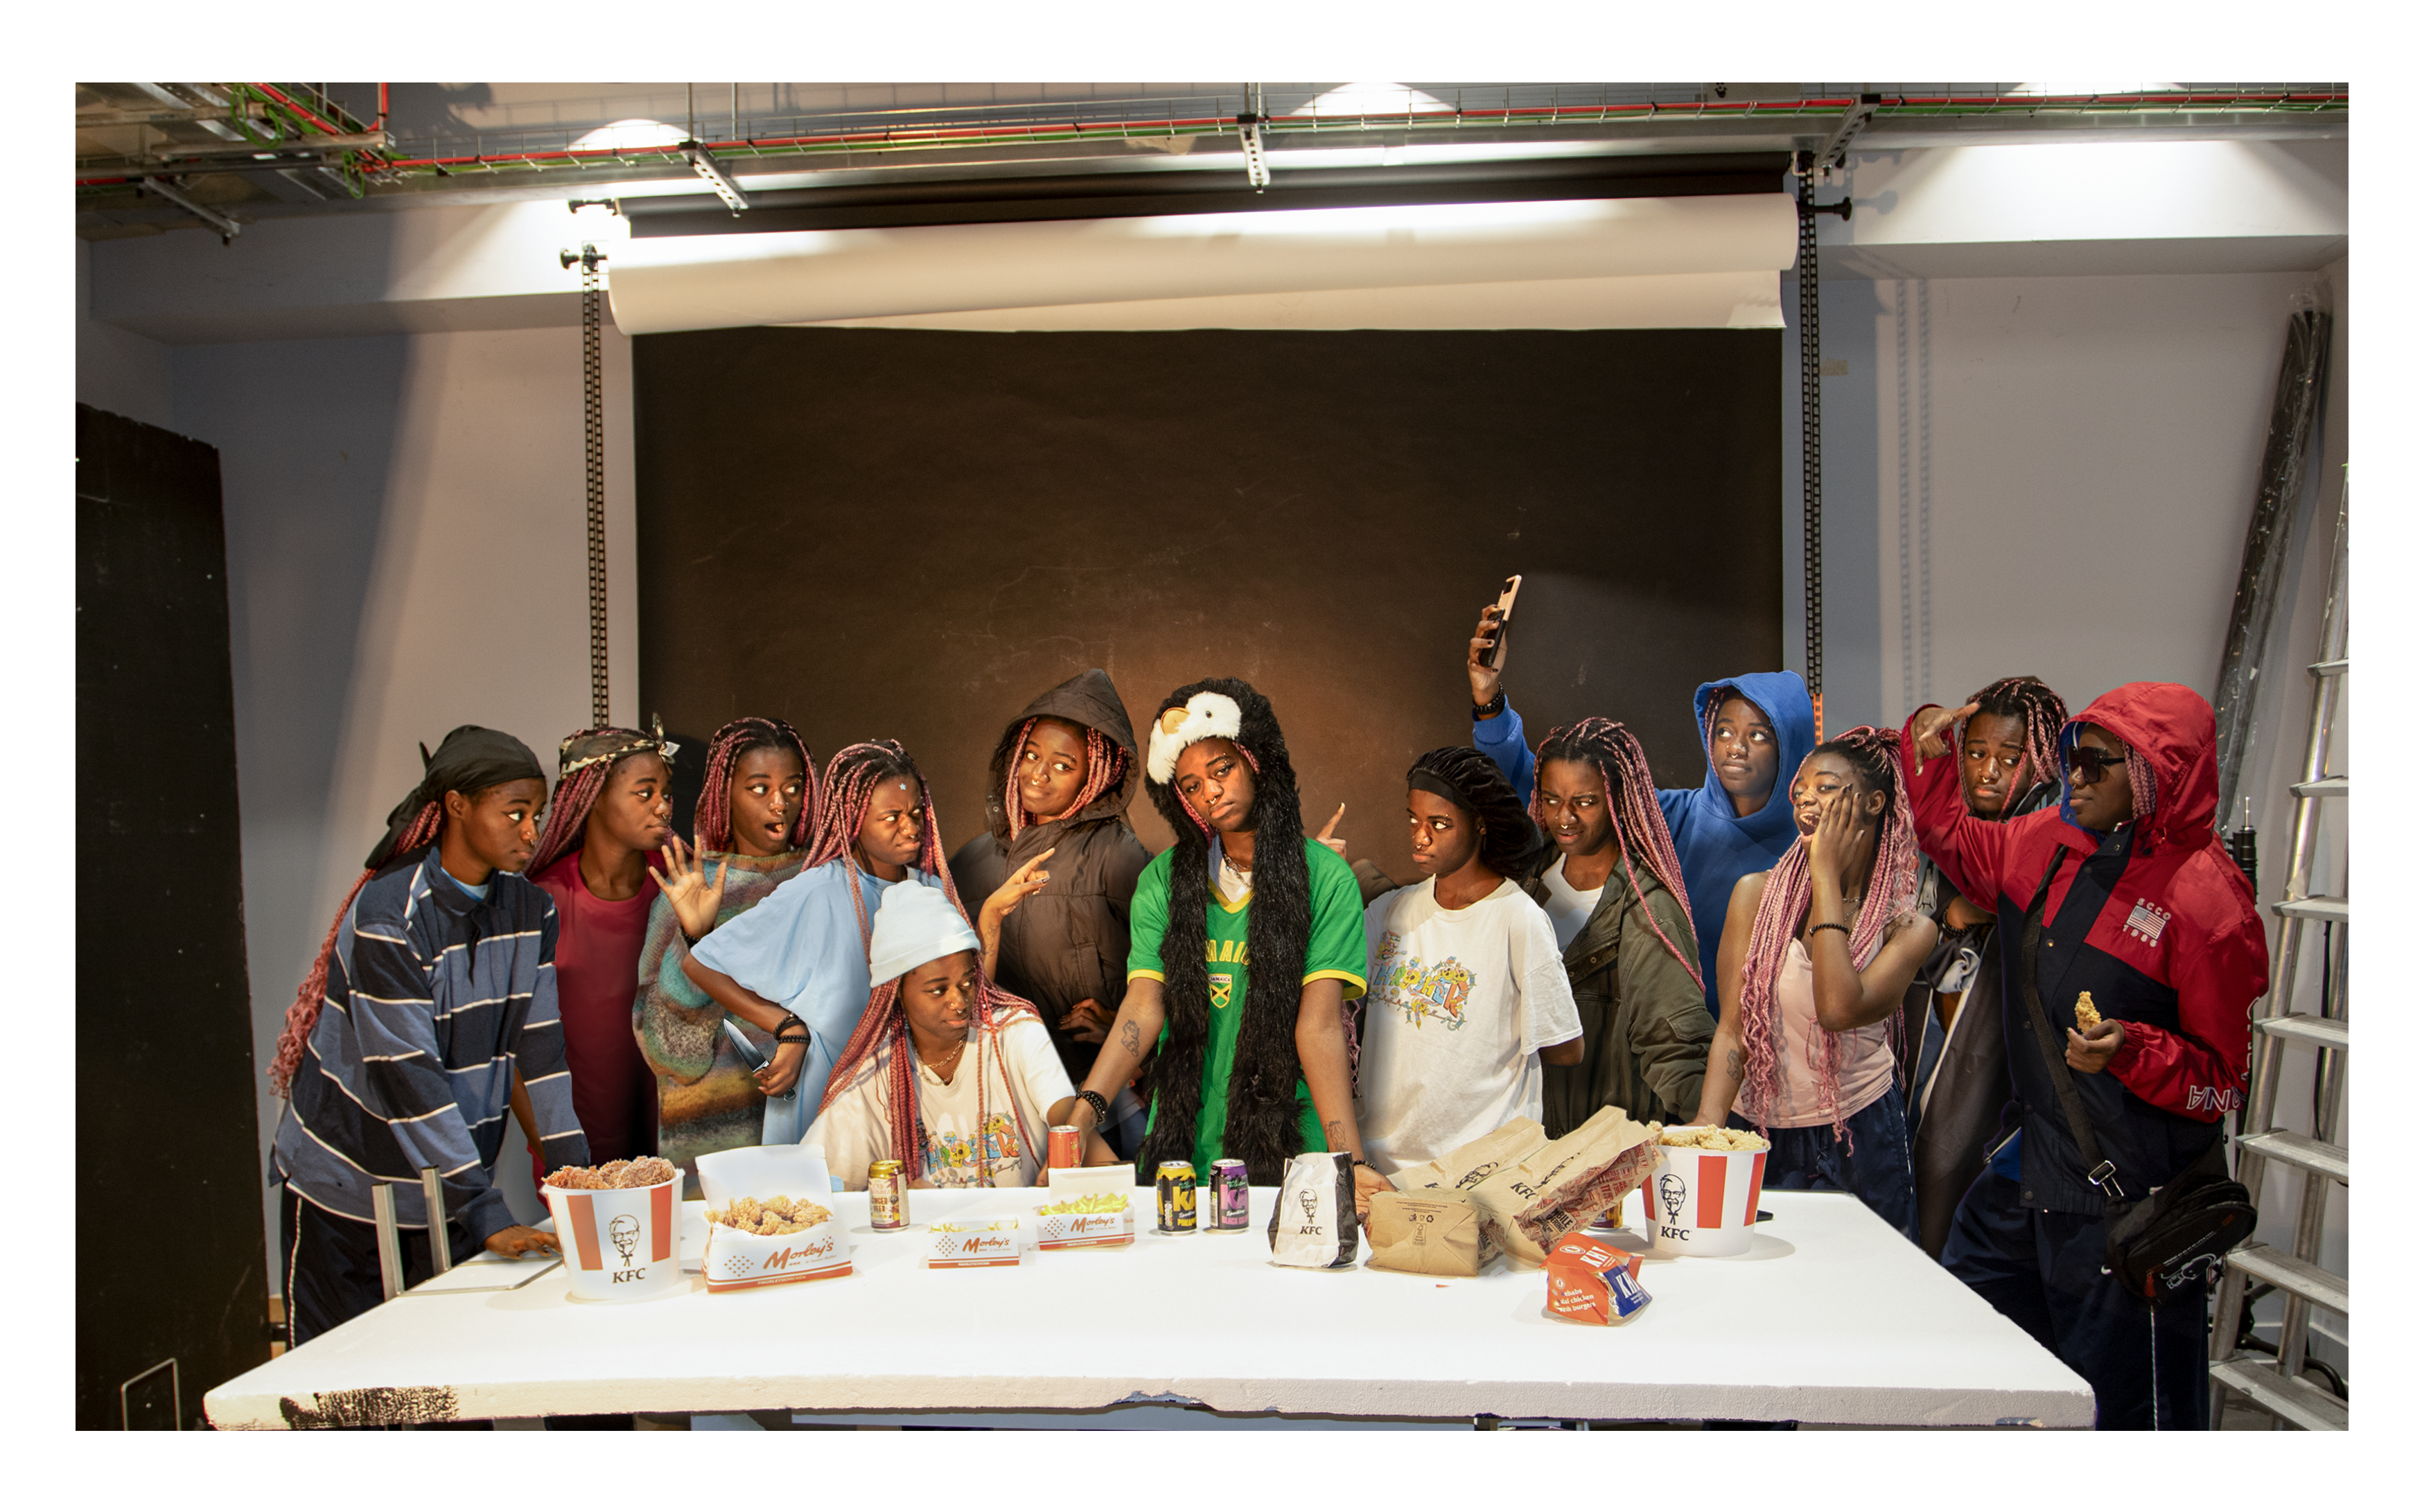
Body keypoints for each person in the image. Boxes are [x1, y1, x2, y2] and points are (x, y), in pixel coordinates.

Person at [1904, 683, 2267, 1430]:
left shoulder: (2210, 907)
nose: (2073, 774)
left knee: (2125, 1417)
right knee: (1969, 1364)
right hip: (2028, 1173)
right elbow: (1951, 836)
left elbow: (2224, 1083)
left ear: (2152, 776)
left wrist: (2133, 1051)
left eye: (2096, 762)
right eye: (2070, 755)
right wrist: (1929, 751)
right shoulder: (2044, 844)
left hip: (2127, 1203)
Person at [266, 726, 584, 1349]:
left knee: (447, 1390)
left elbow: (541, 1051)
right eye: (514, 813)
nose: (531, 832)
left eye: (537, 815)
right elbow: (408, 1078)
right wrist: (483, 1206)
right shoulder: (389, 915)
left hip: (448, 1187)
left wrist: (575, 1177)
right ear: (458, 806)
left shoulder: (530, 912)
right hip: (351, 1188)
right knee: (343, 1393)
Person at [1067, 678, 1387, 1211]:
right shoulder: (1164, 881)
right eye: (1191, 786)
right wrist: (1084, 1114)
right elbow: (1143, 1007)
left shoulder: (1324, 878)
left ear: (1257, 759)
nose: (1210, 791)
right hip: (1182, 1145)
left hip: (1289, 1149)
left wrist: (1347, 1158)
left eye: (1221, 770)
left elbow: (1321, 1025)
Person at [1463, 607, 1815, 1016]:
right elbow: (1535, 785)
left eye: (1758, 735)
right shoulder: (1666, 817)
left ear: (1792, 745)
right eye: (1724, 731)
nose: (1735, 747)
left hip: (1767, 1054)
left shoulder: (1812, 849)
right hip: (1662, 1046)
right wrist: (1489, 702)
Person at [681, 739, 1049, 1114]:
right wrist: (789, 1028)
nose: (911, 828)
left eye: (917, 813)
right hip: (828, 1100)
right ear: (853, 821)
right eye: (892, 818)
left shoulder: (932, 890)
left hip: (905, 1101)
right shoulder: (817, 891)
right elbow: (701, 964)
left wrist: (991, 916)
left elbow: (970, 1000)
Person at [1693, 728, 1938, 1237]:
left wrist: (1825, 874)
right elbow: (1733, 1030)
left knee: (1860, 1296)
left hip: (1857, 1136)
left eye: (1826, 787)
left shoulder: (1908, 926)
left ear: (1874, 804)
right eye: (1801, 788)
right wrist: (1707, 1126)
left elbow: (1839, 1009)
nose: (1806, 797)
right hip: (1757, 1132)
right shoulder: (1755, 895)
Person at [947, 670, 1152, 1150]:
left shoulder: (1118, 856)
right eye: (1032, 756)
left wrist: (1118, 1034)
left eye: (1063, 765)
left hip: (1103, 1096)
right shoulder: (970, 863)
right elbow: (948, 983)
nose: (1038, 774)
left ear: (1097, 773)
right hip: (1007, 1093)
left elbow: (1169, 976)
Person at [1902, 676, 2071, 1258]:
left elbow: (1987, 876)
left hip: (2006, 1075)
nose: (1988, 772)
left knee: (1959, 1208)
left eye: (2009, 756)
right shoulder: (1945, 832)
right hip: (1926, 1043)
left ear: (2044, 760)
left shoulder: (2055, 832)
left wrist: (1966, 910)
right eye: (1974, 754)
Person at [1356, 748, 1583, 1175]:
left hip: (1479, 1175)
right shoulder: (1390, 912)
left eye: (1439, 824)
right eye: (1414, 820)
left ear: (1480, 824)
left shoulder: (1517, 919)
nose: (1420, 837)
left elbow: (1566, 1048)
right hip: (1382, 1173)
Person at [809, 880, 1118, 1187]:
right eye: (938, 990)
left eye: (967, 982)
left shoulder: (1016, 1033)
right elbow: (812, 1191)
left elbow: (1068, 1119)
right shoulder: (871, 1082)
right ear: (897, 994)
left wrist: (1069, 1148)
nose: (959, 1002)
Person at [633, 717, 818, 1195]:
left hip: (821, 1140)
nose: (781, 802)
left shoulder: (829, 882)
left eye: (792, 786)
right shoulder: (689, 888)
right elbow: (669, 1053)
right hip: (723, 1151)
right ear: (723, 793)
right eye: (760, 788)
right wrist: (698, 941)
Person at [1522, 717, 1715, 1134]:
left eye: (1585, 801)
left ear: (1617, 801)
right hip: (1517, 1147)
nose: (1565, 817)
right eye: (1552, 799)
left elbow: (1674, 1045)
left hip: (1601, 1154)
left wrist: (1706, 1134)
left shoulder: (1650, 910)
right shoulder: (1521, 884)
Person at [522, 723, 678, 1170]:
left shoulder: (679, 885)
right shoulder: (542, 901)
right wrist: (549, 1143)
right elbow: (510, 1042)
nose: (663, 807)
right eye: (644, 793)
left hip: (673, 1135)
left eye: (665, 792)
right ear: (592, 798)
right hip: (576, 1143)